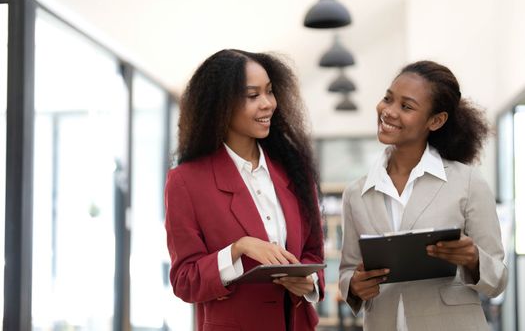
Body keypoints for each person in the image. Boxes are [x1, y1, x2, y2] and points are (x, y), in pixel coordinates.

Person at [339, 60, 508, 330]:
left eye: (406, 106)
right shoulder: (356, 193)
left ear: (436, 120)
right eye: (388, 99)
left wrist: (473, 258)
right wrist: (355, 285)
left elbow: (498, 280)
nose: (388, 111)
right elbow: (348, 270)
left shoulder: (468, 182)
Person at [164, 49, 325, 331]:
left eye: (270, 92)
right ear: (220, 106)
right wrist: (238, 249)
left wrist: (308, 282)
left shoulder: (293, 170)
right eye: (253, 96)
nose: (268, 104)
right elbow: (185, 280)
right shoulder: (186, 182)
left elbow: (313, 253)